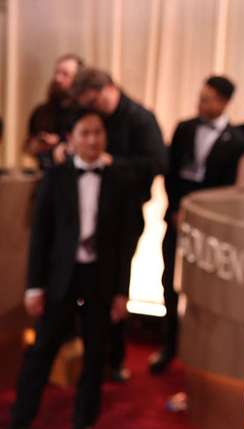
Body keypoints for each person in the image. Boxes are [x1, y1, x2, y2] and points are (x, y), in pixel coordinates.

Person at [5, 110, 132, 429]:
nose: (92, 139)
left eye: (98, 132)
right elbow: (40, 237)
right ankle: (20, 421)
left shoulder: (119, 180)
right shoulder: (56, 177)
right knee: (41, 350)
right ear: (71, 139)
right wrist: (34, 286)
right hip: (60, 277)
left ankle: (83, 423)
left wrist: (122, 291)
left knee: (95, 355)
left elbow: (124, 242)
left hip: (100, 278)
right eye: (85, 133)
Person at [70, 68, 167, 381]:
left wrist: (114, 163)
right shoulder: (95, 117)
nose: (92, 109)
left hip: (126, 211)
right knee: (88, 282)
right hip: (92, 208)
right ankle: (89, 353)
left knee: (117, 285)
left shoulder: (141, 119)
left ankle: (114, 358)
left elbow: (157, 163)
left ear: (108, 89)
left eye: (94, 101)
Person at [152, 75, 244, 374]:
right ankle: (169, 345)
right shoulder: (184, 128)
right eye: (200, 97)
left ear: (223, 102)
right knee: (169, 281)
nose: (200, 104)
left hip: (210, 231)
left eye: (207, 100)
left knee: (206, 291)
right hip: (176, 218)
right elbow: (170, 173)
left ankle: (201, 349)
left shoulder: (238, 142)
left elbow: (227, 190)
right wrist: (175, 209)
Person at [24, 53, 84, 170]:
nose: (58, 79)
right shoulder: (41, 112)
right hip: (45, 172)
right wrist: (37, 144)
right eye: (57, 73)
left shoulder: (85, 113)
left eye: (65, 74)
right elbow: (28, 147)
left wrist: (60, 142)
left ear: (78, 79)